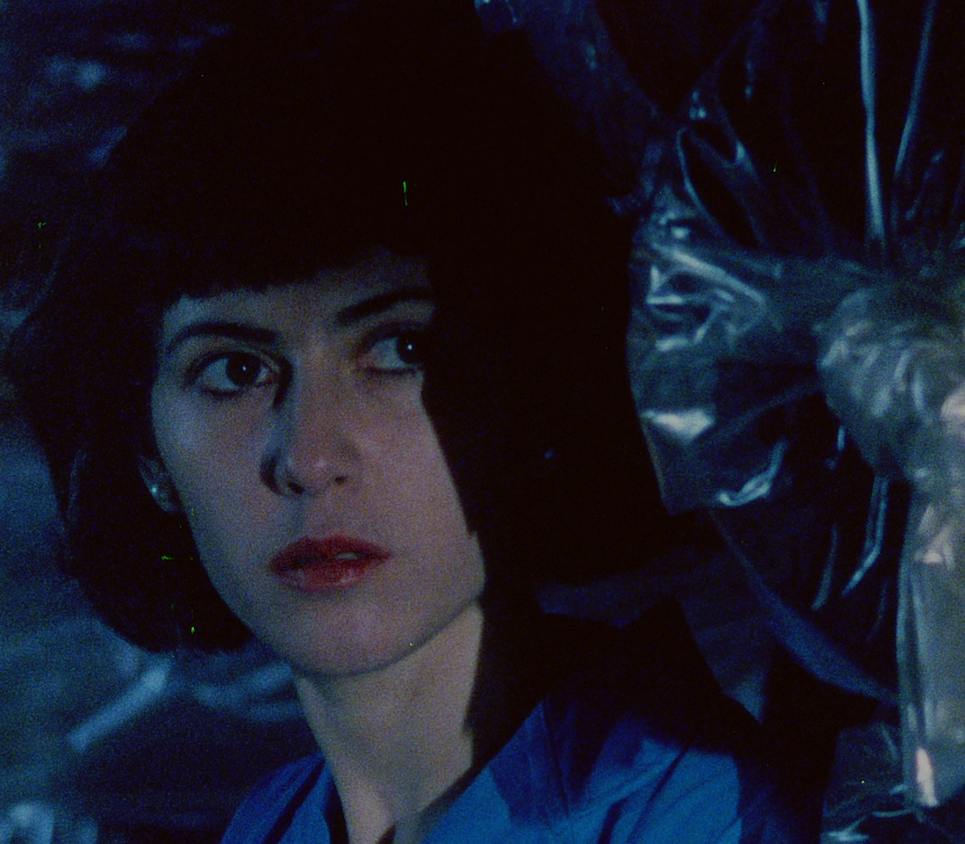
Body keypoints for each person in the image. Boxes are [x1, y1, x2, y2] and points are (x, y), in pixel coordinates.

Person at [6, 5, 808, 842]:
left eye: (401, 350)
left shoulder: (710, 819)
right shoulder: (272, 823)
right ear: (148, 455)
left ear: (535, 389)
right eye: (236, 371)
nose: (308, 456)